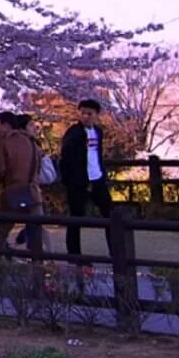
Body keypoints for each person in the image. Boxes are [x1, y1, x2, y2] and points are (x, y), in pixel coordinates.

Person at [59, 98, 115, 257]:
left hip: (97, 179)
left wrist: (102, 174)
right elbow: (65, 158)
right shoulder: (73, 132)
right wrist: (69, 180)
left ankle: (115, 252)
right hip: (78, 182)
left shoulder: (98, 132)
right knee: (76, 218)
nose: (85, 116)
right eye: (82, 113)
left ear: (97, 115)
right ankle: (74, 255)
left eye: (89, 113)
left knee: (110, 215)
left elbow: (97, 155)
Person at [0, 111, 43, 254]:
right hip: (33, 193)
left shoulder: (4, 142)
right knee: (35, 233)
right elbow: (38, 168)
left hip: (13, 192)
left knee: (1, 231)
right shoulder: (32, 143)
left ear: (6, 125)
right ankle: (37, 266)